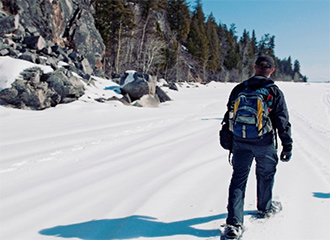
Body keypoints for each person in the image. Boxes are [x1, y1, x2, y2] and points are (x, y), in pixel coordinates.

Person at [221, 55, 293, 239]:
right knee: (265, 174)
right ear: (272, 70)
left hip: (240, 141)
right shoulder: (274, 91)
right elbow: (282, 121)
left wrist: (229, 140)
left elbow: (229, 115)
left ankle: (234, 225)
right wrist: (287, 145)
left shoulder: (239, 88)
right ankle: (264, 208)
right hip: (264, 141)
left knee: (238, 179)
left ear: (255, 68)